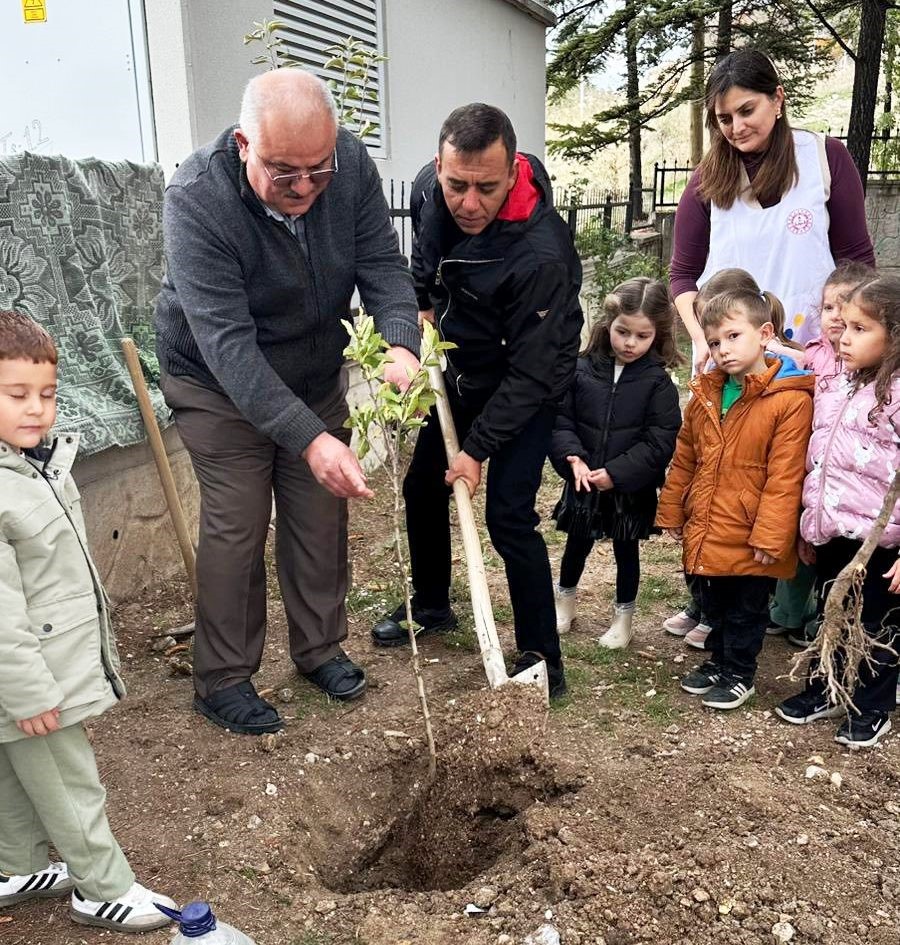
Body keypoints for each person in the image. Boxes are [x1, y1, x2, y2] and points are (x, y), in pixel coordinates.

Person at [155, 70, 421, 734]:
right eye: (283, 173)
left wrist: (399, 342)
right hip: (216, 382)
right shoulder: (197, 198)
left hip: (308, 367)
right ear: (245, 143)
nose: (303, 187)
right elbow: (228, 346)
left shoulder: (350, 163)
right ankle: (222, 677)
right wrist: (309, 436)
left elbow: (383, 265)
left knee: (318, 511)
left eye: (317, 171)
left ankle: (319, 648)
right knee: (238, 520)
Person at [369, 103, 583, 698]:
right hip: (465, 361)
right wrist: (417, 308)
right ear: (438, 167)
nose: (468, 201)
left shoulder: (540, 253)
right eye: (455, 183)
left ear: (513, 173)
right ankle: (432, 606)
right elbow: (425, 264)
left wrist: (479, 450)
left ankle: (543, 655)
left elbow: (532, 372)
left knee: (508, 516)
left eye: (485, 188)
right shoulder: (428, 191)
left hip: (530, 378)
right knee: (421, 484)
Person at [0, 311, 176, 932]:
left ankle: (14, 866)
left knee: (15, 770)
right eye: (16, 394)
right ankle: (102, 888)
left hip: (38, 668)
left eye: (46, 394)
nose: (36, 409)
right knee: (69, 782)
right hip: (30, 675)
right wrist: (27, 691)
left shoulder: (36, 465)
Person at [670, 48, 875, 376]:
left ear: (777, 99)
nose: (736, 127)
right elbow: (682, 275)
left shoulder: (824, 157)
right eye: (724, 118)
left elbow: (857, 263)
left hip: (815, 358)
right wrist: (702, 339)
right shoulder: (706, 181)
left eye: (746, 110)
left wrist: (854, 335)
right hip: (730, 364)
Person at [656, 288, 814, 710]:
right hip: (709, 522)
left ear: (764, 334)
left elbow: (785, 477)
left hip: (751, 532)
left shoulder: (789, 401)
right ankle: (718, 661)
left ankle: (740, 672)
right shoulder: (706, 393)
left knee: (746, 609)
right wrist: (672, 509)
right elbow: (686, 456)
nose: (722, 350)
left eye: (732, 337)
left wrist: (771, 536)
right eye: (713, 342)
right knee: (714, 602)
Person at [775, 275, 900, 748]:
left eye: (860, 328)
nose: (843, 337)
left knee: (878, 629)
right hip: (834, 531)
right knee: (832, 613)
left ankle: (872, 707)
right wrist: (812, 524)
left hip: (882, 543)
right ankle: (824, 687)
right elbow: (819, 460)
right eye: (842, 325)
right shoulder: (842, 385)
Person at [550, 277, 681, 648]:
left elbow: (660, 440)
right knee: (576, 544)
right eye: (623, 332)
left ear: (658, 334)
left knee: (627, 551)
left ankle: (623, 620)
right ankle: (565, 603)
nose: (630, 343)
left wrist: (619, 473)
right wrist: (571, 457)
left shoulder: (658, 383)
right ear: (608, 324)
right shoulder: (580, 370)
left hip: (630, 486)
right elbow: (561, 420)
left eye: (642, 336)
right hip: (583, 478)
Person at [766, 260, 877, 647]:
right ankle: (789, 612)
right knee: (801, 541)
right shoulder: (813, 352)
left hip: (851, 483)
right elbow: (788, 358)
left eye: (846, 310)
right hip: (809, 466)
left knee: (832, 555)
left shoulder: (869, 371)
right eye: (828, 308)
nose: (835, 318)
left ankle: (821, 620)